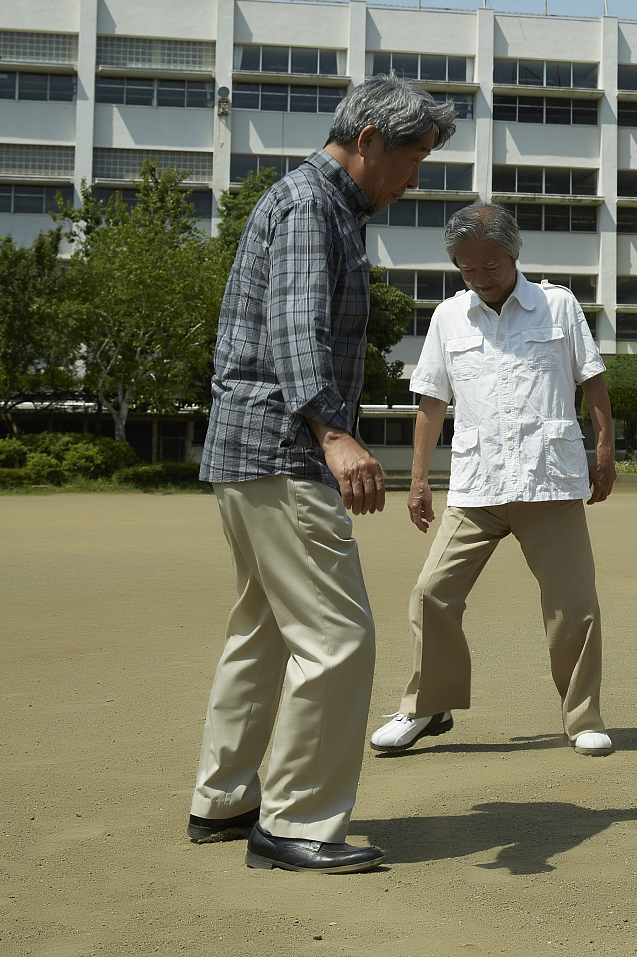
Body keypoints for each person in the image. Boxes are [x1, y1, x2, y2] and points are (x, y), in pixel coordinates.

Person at [187, 76, 457, 875]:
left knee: (263, 629)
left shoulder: (315, 203)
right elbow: (296, 328)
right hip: (285, 448)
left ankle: (225, 797)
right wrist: (334, 433)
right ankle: (295, 819)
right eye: (413, 159)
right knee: (338, 637)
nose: (415, 180)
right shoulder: (312, 205)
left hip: (248, 450)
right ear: (369, 140)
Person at [368, 202, 618, 757]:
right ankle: (428, 707)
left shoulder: (558, 305)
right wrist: (417, 482)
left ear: (514, 253)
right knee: (431, 593)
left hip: (547, 481)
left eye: (490, 266)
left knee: (573, 606)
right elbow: (431, 403)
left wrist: (604, 450)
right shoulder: (448, 317)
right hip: (477, 484)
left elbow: (592, 382)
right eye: (467, 269)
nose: (479, 278)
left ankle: (583, 717)